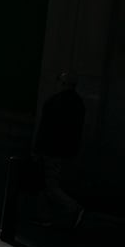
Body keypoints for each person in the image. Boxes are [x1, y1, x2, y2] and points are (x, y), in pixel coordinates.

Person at [34, 72, 85, 228]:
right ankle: (45, 216)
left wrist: (37, 149)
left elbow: (45, 128)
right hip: (67, 151)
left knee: (49, 184)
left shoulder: (54, 102)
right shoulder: (78, 103)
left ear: (62, 83)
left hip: (51, 149)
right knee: (50, 183)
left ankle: (72, 208)